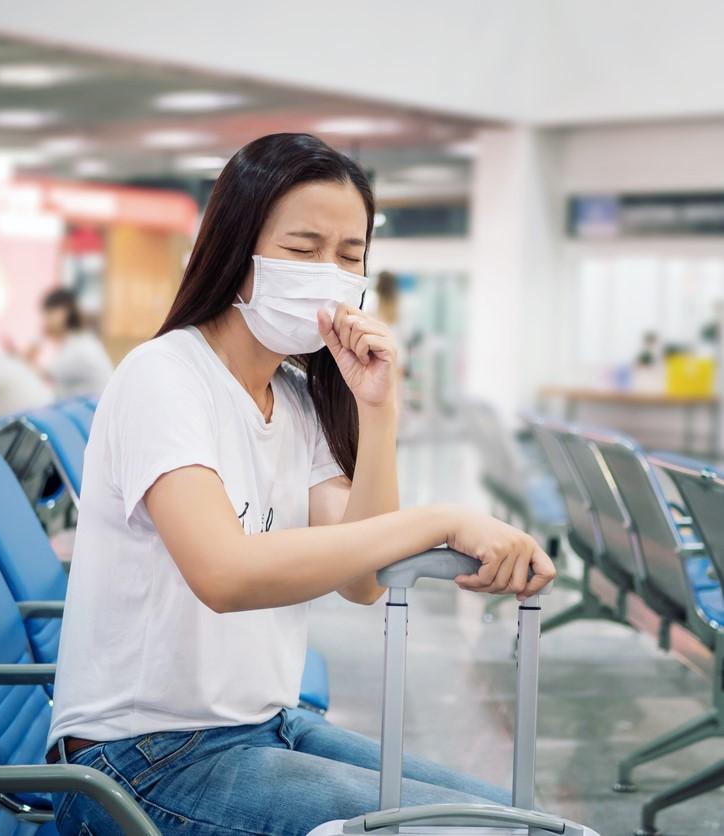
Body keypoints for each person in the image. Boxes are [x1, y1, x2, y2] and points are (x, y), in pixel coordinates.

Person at [47, 133, 555, 836]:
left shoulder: (292, 397)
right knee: (465, 833)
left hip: (265, 726)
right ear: (236, 250)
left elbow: (363, 577)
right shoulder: (163, 376)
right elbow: (224, 574)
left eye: (350, 256)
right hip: (140, 764)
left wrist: (377, 412)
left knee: (511, 821)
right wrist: (441, 519)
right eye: (303, 248)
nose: (329, 273)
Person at [23, 287, 113, 400]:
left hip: (89, 414)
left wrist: (35, 343)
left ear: (62, 313)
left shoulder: (79, 347)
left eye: (47, 314)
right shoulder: (78, 341)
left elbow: (42, 375)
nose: (44, 321)